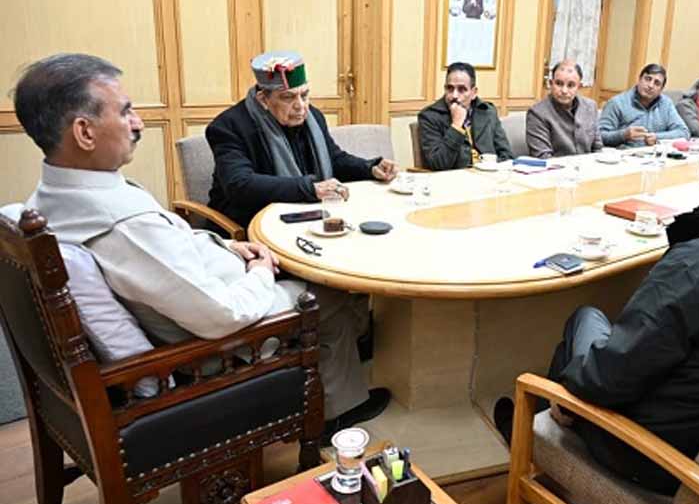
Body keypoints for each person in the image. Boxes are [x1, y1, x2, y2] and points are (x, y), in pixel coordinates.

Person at [16, 53, 390, 439]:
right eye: (126, 111)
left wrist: (223, 245)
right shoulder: (126, 225)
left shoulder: (49, 198)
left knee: (337, 293)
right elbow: (222, 315)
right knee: (332, 293)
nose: (138, 123)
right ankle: (336, 412)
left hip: (214, 282)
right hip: (221, 339)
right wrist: (261, 273)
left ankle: (344, 356)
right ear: (84, 132)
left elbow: (166, 242)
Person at [494, 141, 699, 495]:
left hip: (654, 454)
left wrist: (574, 393)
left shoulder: (696, 265)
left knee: (586, 319)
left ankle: (542, 432)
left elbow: (607, 379)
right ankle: (556, 418)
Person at [206, 51, 397, 229]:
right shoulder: (228, 126)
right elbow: (240, 185)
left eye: (304, 95)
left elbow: (334, 159)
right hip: (249, 224)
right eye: (288, 97)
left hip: (305, 214)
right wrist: (309, 188)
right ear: (263, 99)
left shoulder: (312, 116)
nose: (300, 106)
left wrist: (370, 168)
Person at [417, 62, 512, 170]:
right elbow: (438, 164)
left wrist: (490, 168)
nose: (454, 95)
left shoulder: (488, 112)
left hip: (488, 175)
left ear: (474, 93)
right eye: (450, 88)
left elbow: (507, 156)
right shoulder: (430, 116)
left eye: (461, 89)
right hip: (453, 178)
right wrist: (456, 126)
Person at [597, 63, 689, 148]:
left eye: (657, 83)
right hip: (624, 155)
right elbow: (600, 136)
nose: (651, 86)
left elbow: (683, 132)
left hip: (655, 155)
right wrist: (624, 135)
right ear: (639, 80)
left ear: (661, 89)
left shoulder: (666, 104)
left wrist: (657, 137)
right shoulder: (617, 103)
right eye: (648, 79)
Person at [525, 60, 602, 158]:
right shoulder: (537, 113)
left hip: (588, 166)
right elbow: (543, 157)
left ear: (579, 87)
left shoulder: (590, 107)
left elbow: (597, 148)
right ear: (551, 84)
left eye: (571, 85)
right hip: (555, 167)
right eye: (559, 84)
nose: (564, 91)